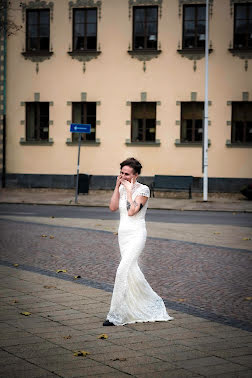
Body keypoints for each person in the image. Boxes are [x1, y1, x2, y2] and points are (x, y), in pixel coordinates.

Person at [103, 157, 173, 326]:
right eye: (121, 173)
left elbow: (132, 211)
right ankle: (145, 304)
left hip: (136, 235)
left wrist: (128, 191)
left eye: (126, 174)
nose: (123, 176)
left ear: (136, 175)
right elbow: (112, 208)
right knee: (132, 272)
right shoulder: (120, 187)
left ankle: (115, 316)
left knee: (122, 270)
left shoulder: (143, 190)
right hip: (123, 235)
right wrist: (117, 187)